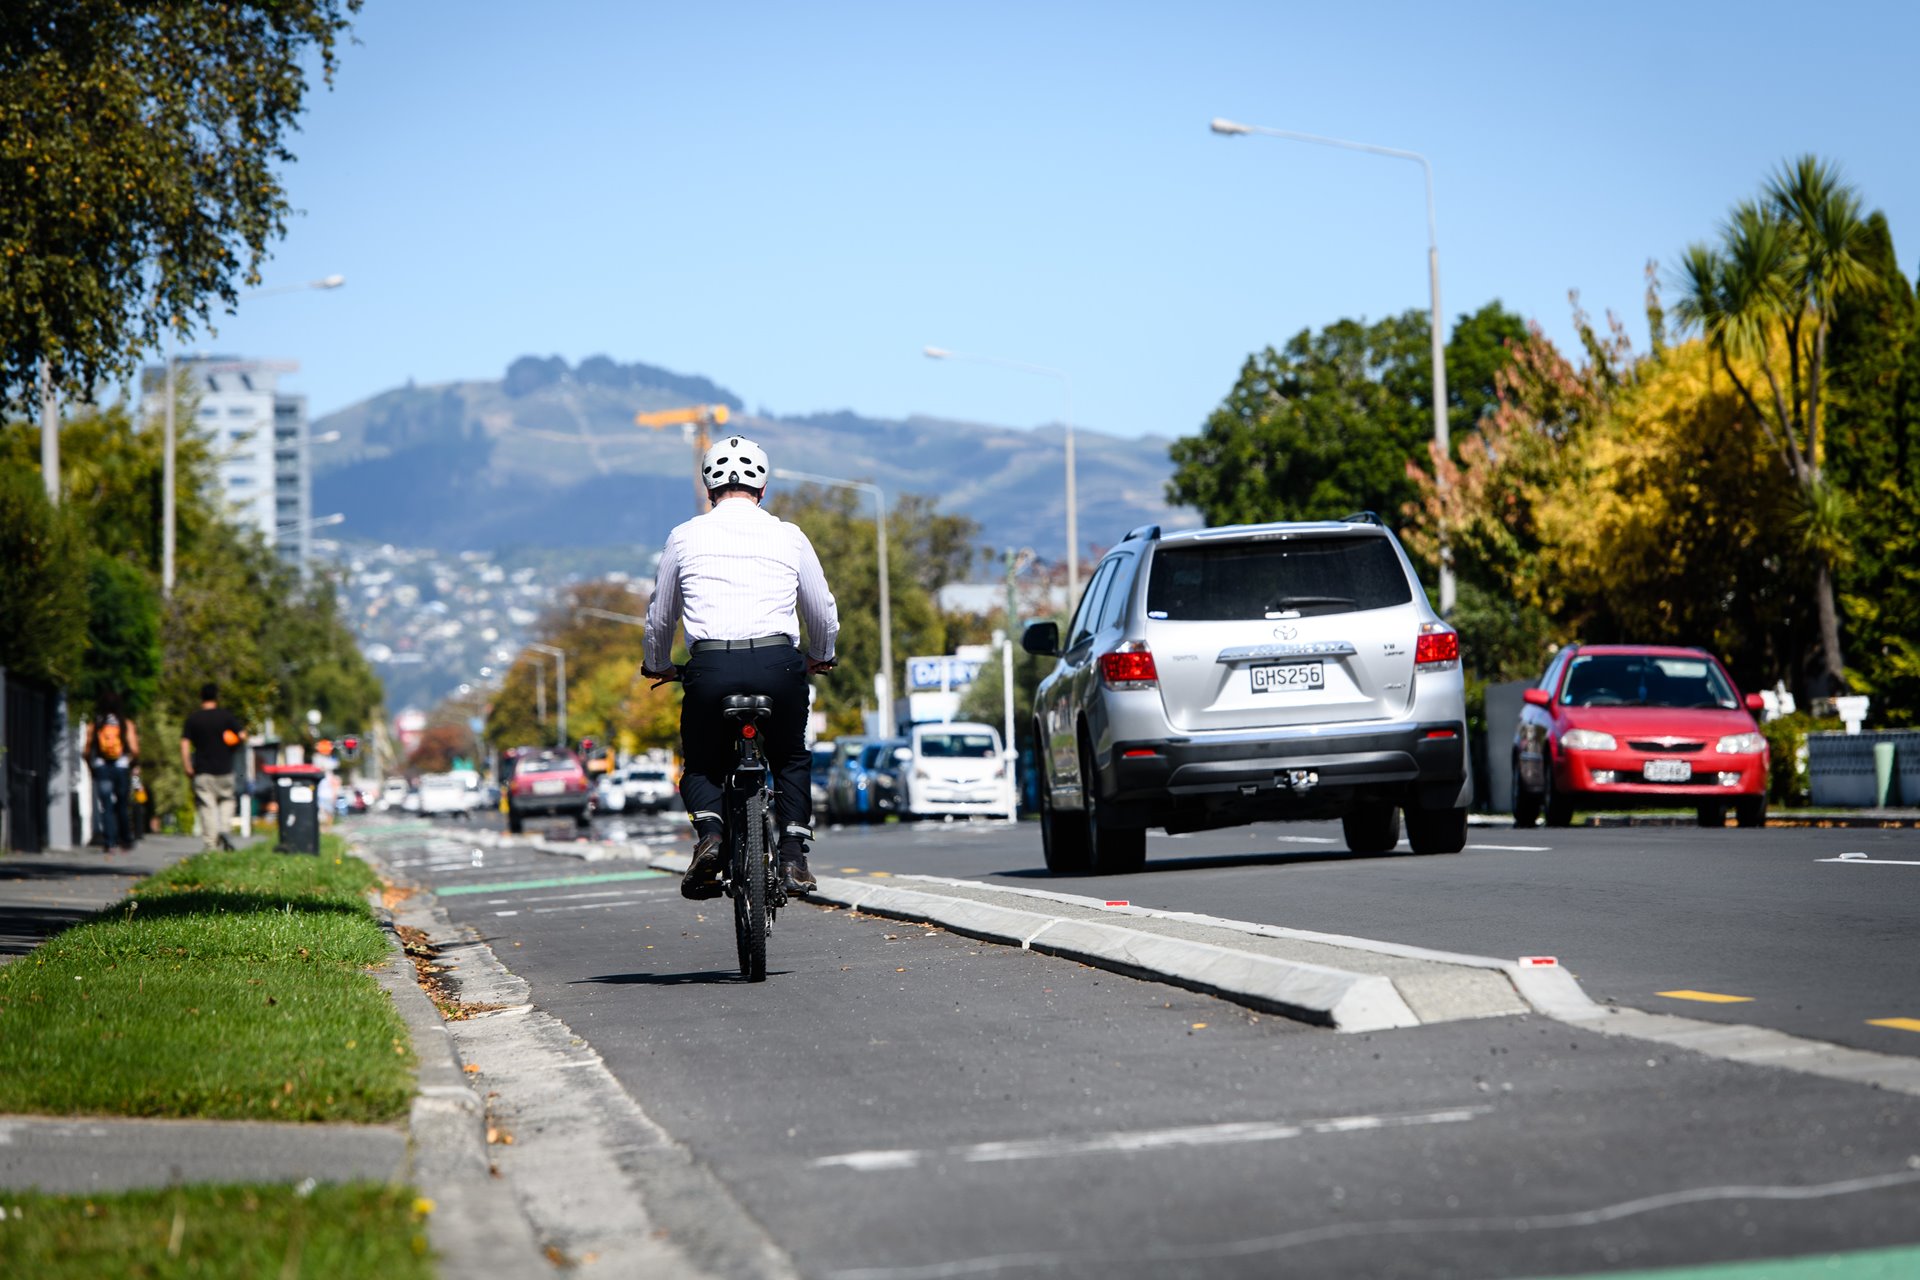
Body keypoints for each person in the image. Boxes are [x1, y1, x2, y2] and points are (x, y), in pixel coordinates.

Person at [642, 435, 839, 899]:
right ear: (763, 488)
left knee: (701, 765)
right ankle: (793, 854)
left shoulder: (684, 536)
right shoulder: (788, 535)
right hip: (779, 664)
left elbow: (660, 615)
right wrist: (822, 654)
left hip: (710, 667)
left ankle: (710, 835)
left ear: (708, 488)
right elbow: (821, 609)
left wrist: (658, 665)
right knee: (790, 756)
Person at [180, 683, 245, 851]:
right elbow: (242, 735)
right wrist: (232, 748)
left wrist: (187, 765)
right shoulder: (225, 716)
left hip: (203, 770)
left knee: (207, 806)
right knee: (227, 799)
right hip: (224, 768)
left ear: (201, 696)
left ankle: (211, 844)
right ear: (216, 697)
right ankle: (224, 828)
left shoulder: (193, 719)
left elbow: (185, 744)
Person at [86, 692, 140, 851]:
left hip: (102, 767)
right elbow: (135, 749)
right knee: (122, 804)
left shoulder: (96, 724)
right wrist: (132, 763)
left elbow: (87, 751)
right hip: (121, 767)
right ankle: (125, 840)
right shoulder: (125, 724)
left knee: (106, 805)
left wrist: (91, 767)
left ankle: (109, 842)